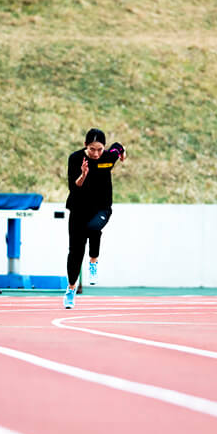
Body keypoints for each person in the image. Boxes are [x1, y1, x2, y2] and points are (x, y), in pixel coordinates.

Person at [63, 128, 126, 308]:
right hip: (78, 209)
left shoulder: (108, 157)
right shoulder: (75, 159)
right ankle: (71, 290)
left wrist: (123, 154)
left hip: (102, 208)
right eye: (92, 149)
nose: (96, 153)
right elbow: (74, 187)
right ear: (85, 146)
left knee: (93, 228)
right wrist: (83, 174)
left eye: (99, 149)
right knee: (75, 252)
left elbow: (119, 148)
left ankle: (93, 261)